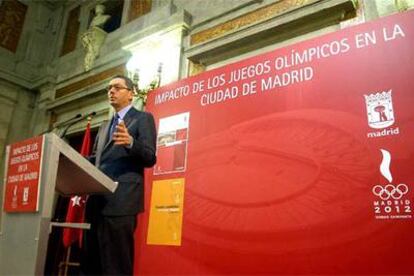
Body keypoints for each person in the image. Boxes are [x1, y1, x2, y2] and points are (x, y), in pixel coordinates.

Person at [82, 75, 157, 275]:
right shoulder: (105, 125)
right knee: (92, 264)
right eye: (109, 88)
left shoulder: (142, 119)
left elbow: (150, 157)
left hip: (122, 201)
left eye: (117, 87)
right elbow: (98, 161)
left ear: (130, 94)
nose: (111, 91)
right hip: (97, 202)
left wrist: (131, 143)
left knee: (116, 265)